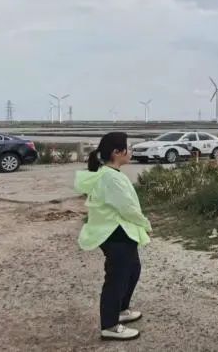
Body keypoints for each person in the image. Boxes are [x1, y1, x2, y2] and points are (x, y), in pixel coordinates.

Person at [75, 132, 152, 341]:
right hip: (115, 233)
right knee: (117, 278)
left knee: (133, 270)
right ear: (117, 152)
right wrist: (145, 224)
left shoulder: (111, 173)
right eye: (128, 147)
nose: (131, 151)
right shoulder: (110, 177)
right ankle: (109, 325)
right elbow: (127, 208)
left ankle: (121, 309)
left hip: (121, 231)